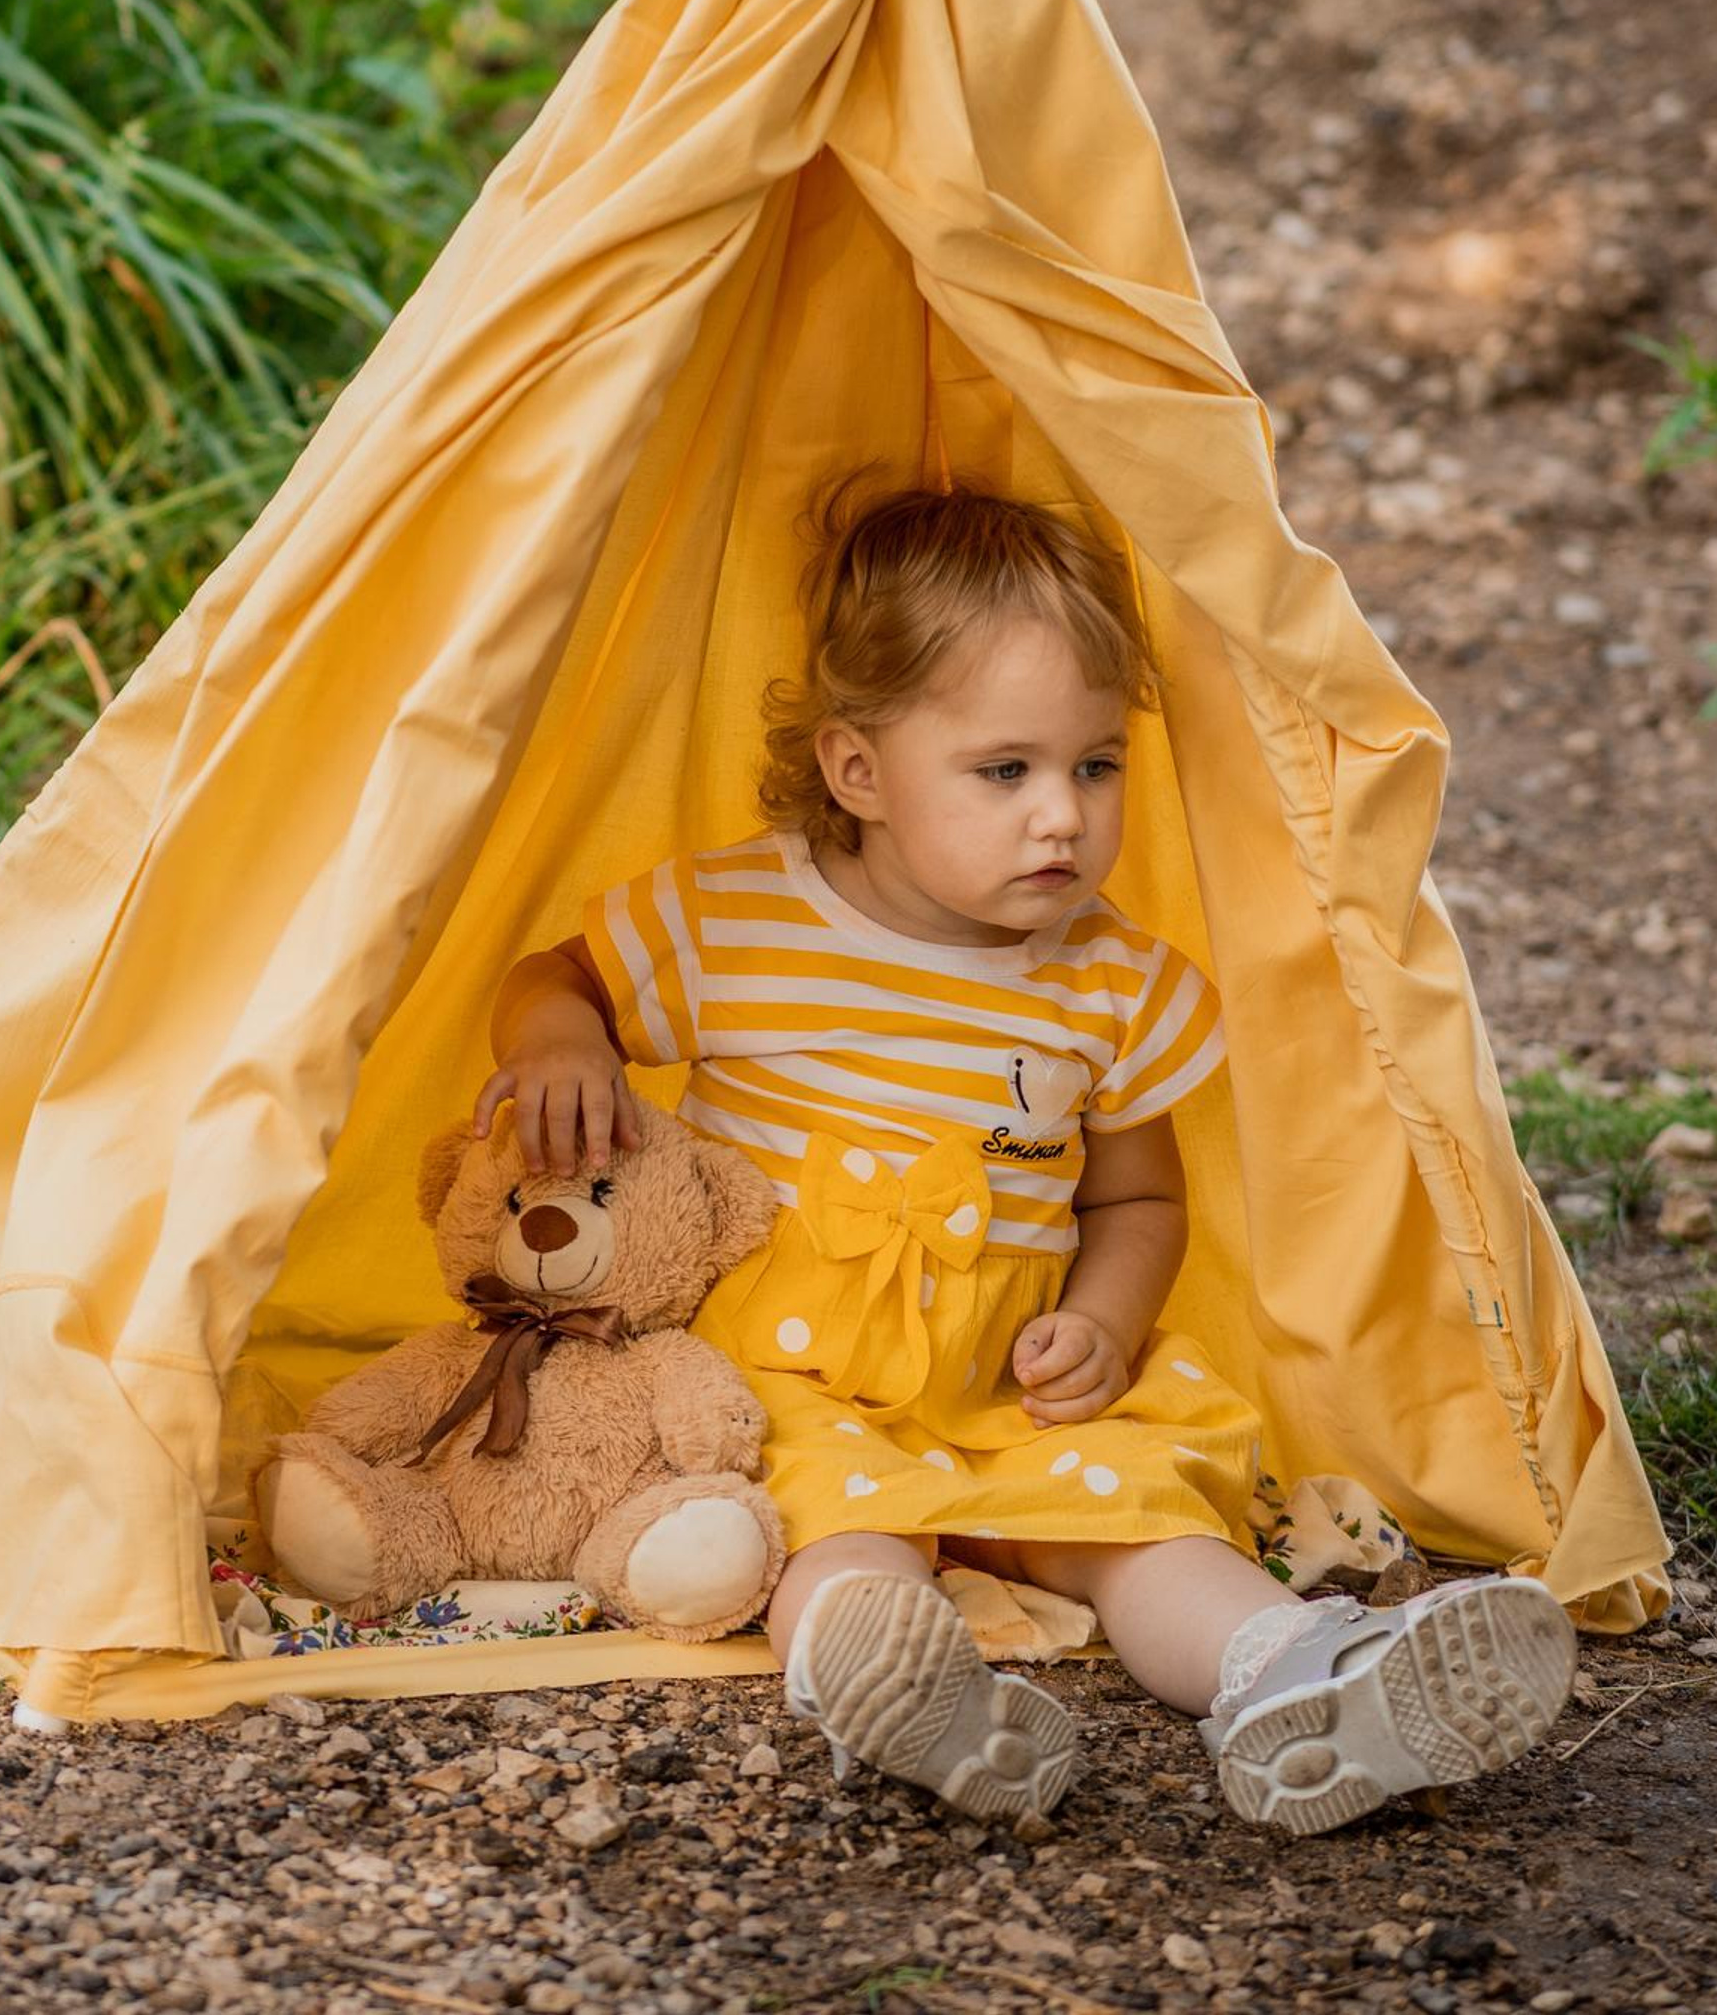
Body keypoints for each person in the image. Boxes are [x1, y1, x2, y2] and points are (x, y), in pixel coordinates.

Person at [472, 477, 1575, 1834]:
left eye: (1095, 765)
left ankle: (1298, 1680)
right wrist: (560, 1041)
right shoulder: (731, 922)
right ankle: (903, 1691)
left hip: (1010, 1381)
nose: (1063, 815)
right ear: (857, 770)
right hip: (788, 1384)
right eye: (1006, 772)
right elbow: (552, 977)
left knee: (1148, 1524)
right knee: (835, 1537)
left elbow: (1137, 1192)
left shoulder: (1111, 981)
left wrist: (1104, 1323)